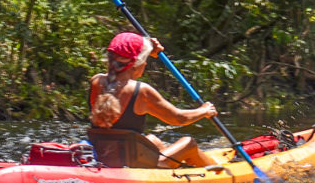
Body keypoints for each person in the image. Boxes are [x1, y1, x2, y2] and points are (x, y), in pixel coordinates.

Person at [88, 32, 219, 168]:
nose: (145, 64)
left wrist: (149, 48)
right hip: (132, 164)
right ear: (137, 63)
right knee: (189, 143)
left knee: (152, 140)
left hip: (105, 157)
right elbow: (179, 118)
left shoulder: (96, 81)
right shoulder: (141, 91)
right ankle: (219, 175)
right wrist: (204, 111)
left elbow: (124, 63)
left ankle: (185, 168)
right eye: (145, 60)